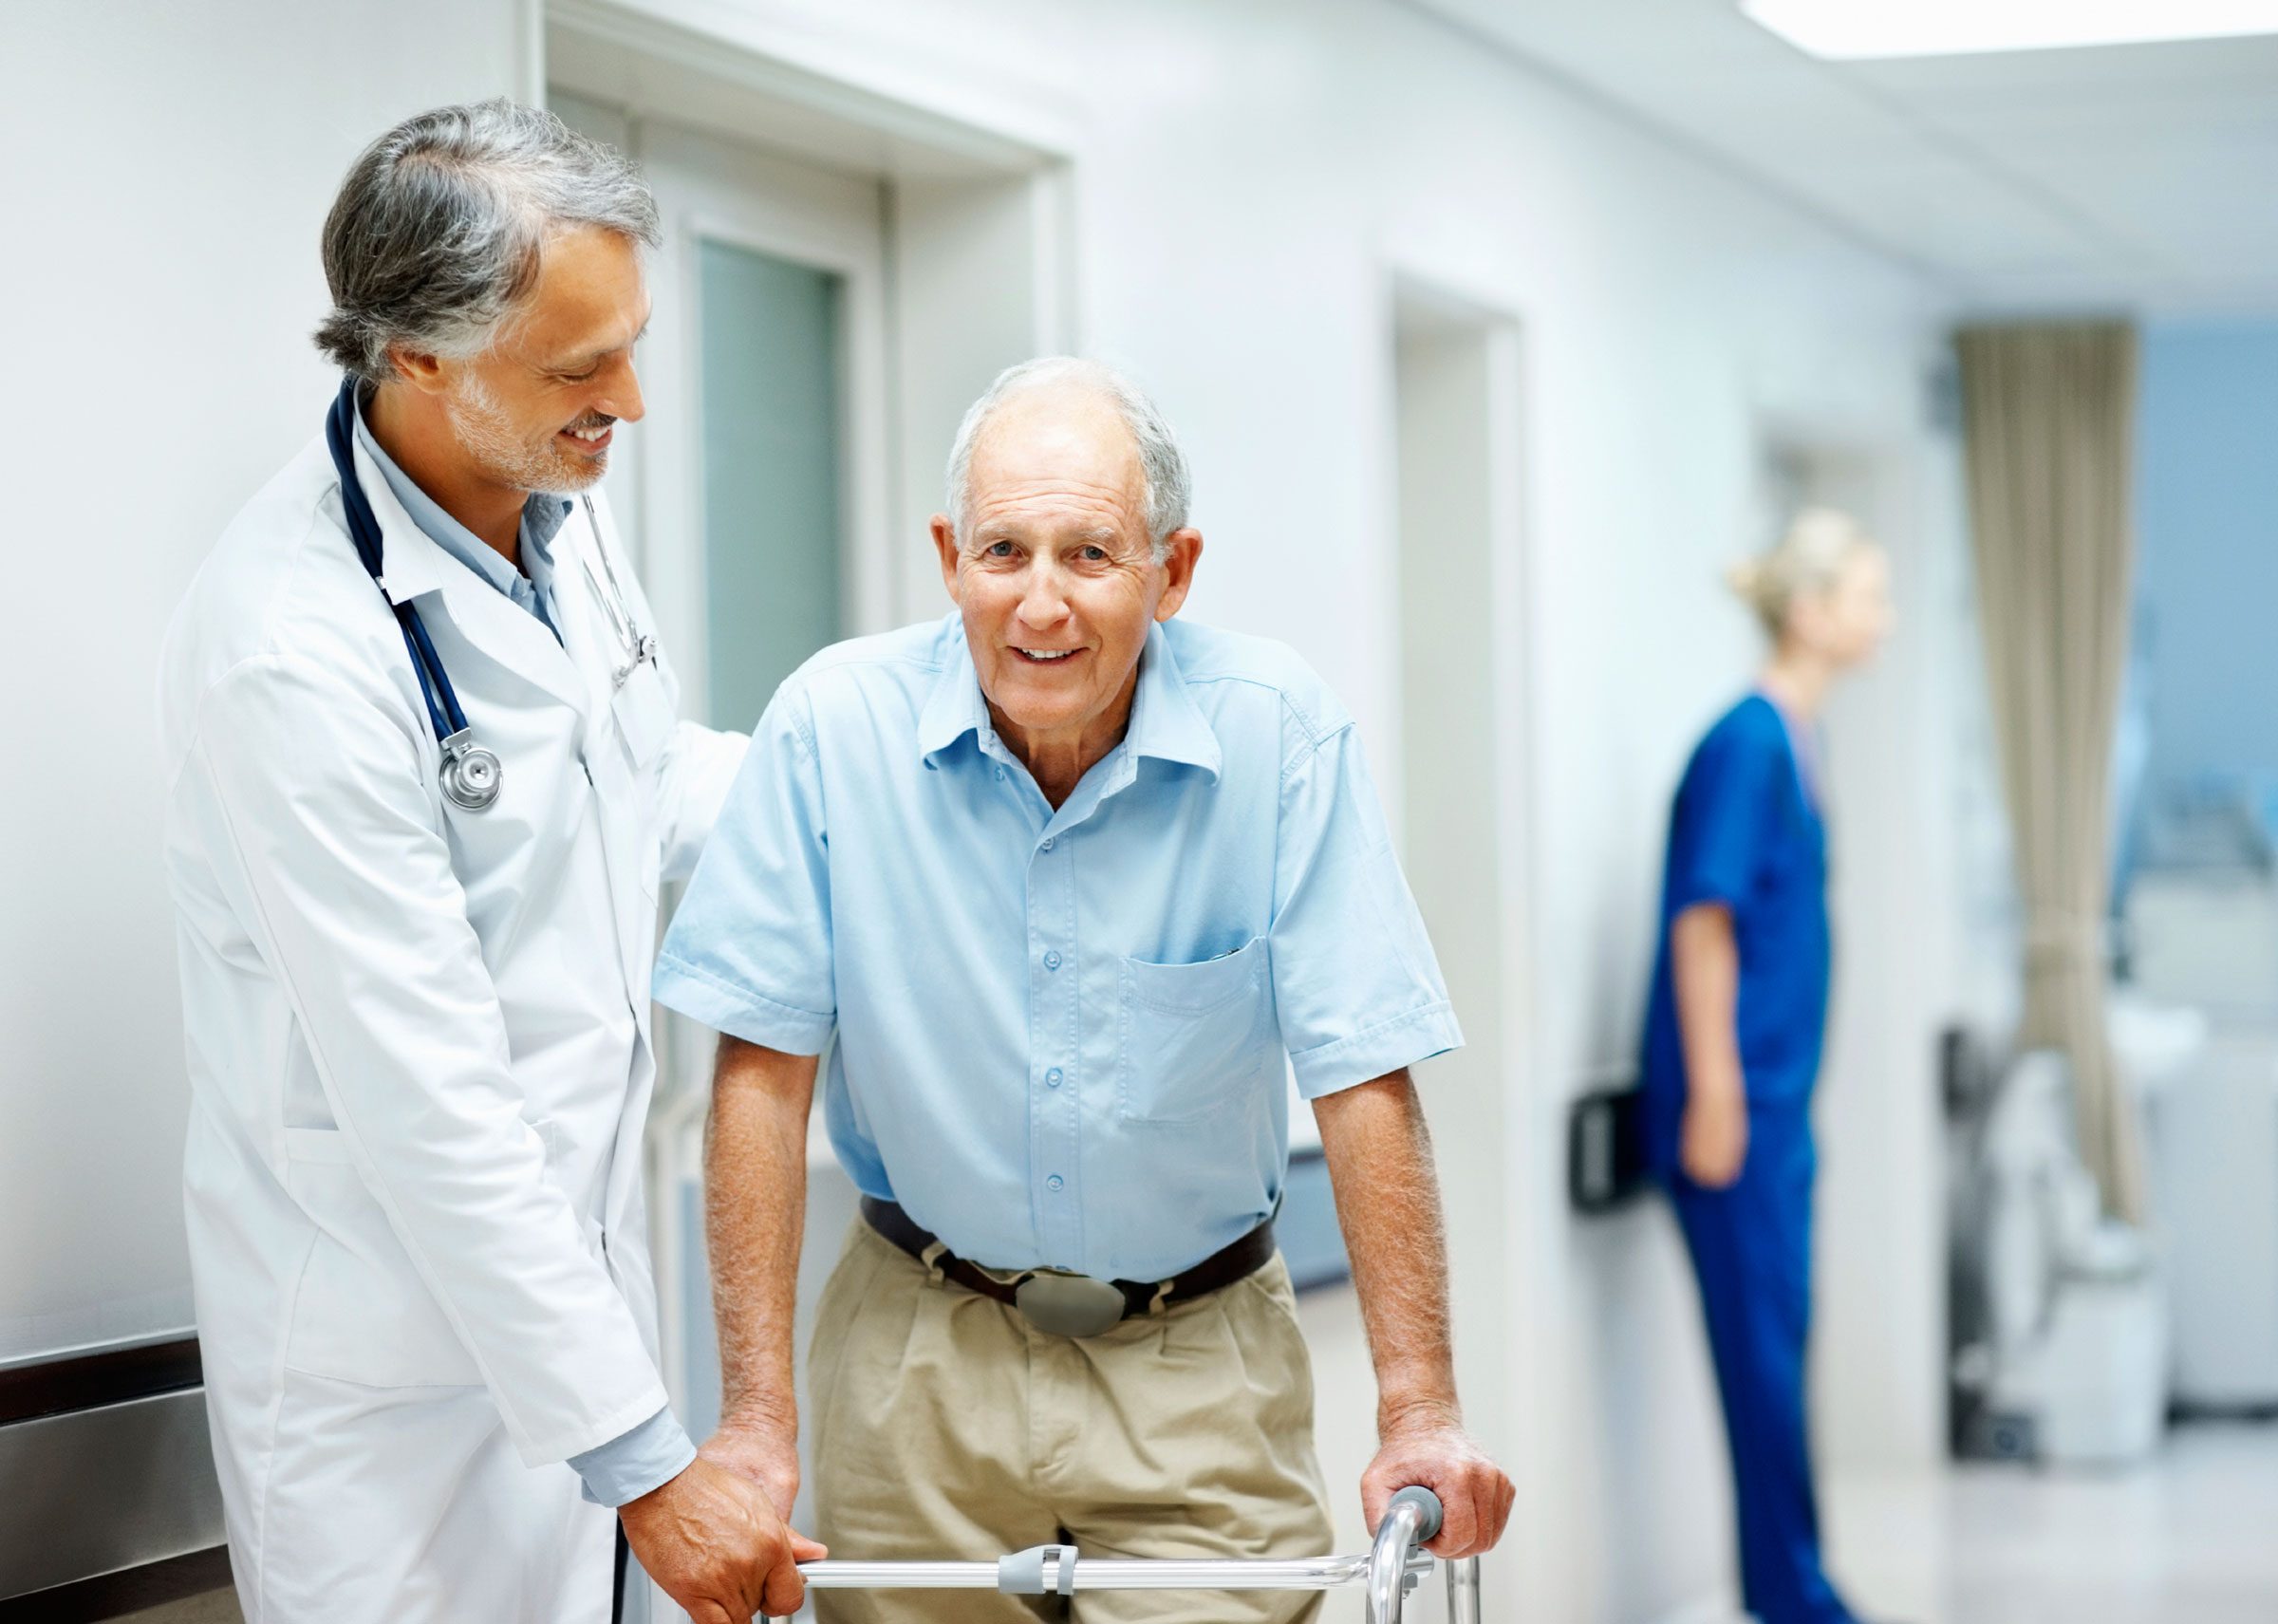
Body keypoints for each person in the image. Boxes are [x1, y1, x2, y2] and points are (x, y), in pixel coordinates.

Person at [650, 357, 1515, 1622]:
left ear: (1174, 569)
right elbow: (759, 1086)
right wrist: (754, 1421)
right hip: (916, 1358)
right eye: (1003, 550)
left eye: (1091, 555)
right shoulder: (831, 729)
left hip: (1201, 1364)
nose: (1039, 604)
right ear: (949, 556)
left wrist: (1421, 1406)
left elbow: (1362, 1077)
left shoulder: (1275, 733)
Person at [157, 101, 817, 1624]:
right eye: (583, 368)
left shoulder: (554, 515)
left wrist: (862, 787)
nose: (632, 402)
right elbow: (430, 1099)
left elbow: (635, 780)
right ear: (419, 353)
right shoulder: (291, 651)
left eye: (631, 345)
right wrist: (650, 1464)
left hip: (576, 1318)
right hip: (388, 1409)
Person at [1638, 509, 1893, 1624]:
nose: (1883, 617)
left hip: (1777, 1106)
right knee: (1762, 1361)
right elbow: (1705, 921)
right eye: (1868, 595)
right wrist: (1719, 1094)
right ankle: (1796, 1599)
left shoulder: (1800, 735)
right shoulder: (1748, 741)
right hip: (1735, 1111)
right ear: (1810, 610)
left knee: (1780, 1347)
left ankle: (1797, 1585)